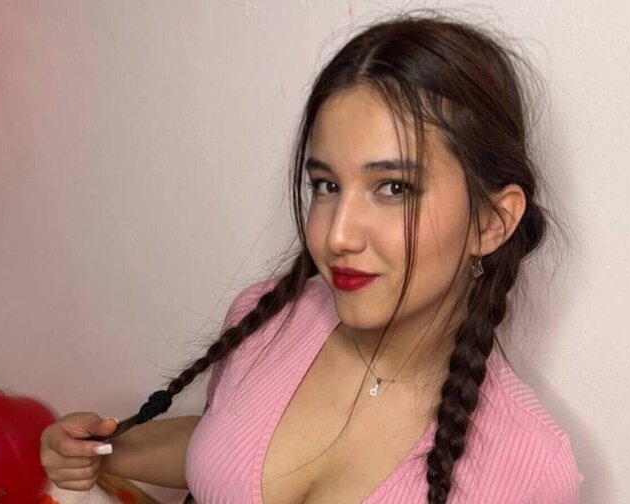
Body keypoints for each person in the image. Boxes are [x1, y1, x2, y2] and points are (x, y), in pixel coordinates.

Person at [40, 12, 583, 504]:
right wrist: (98, 454)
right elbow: (224, 447)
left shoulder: (533, 470)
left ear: (492, 222)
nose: (337, 235)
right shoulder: (266, 317)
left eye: (393, 188)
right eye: (326, 185)